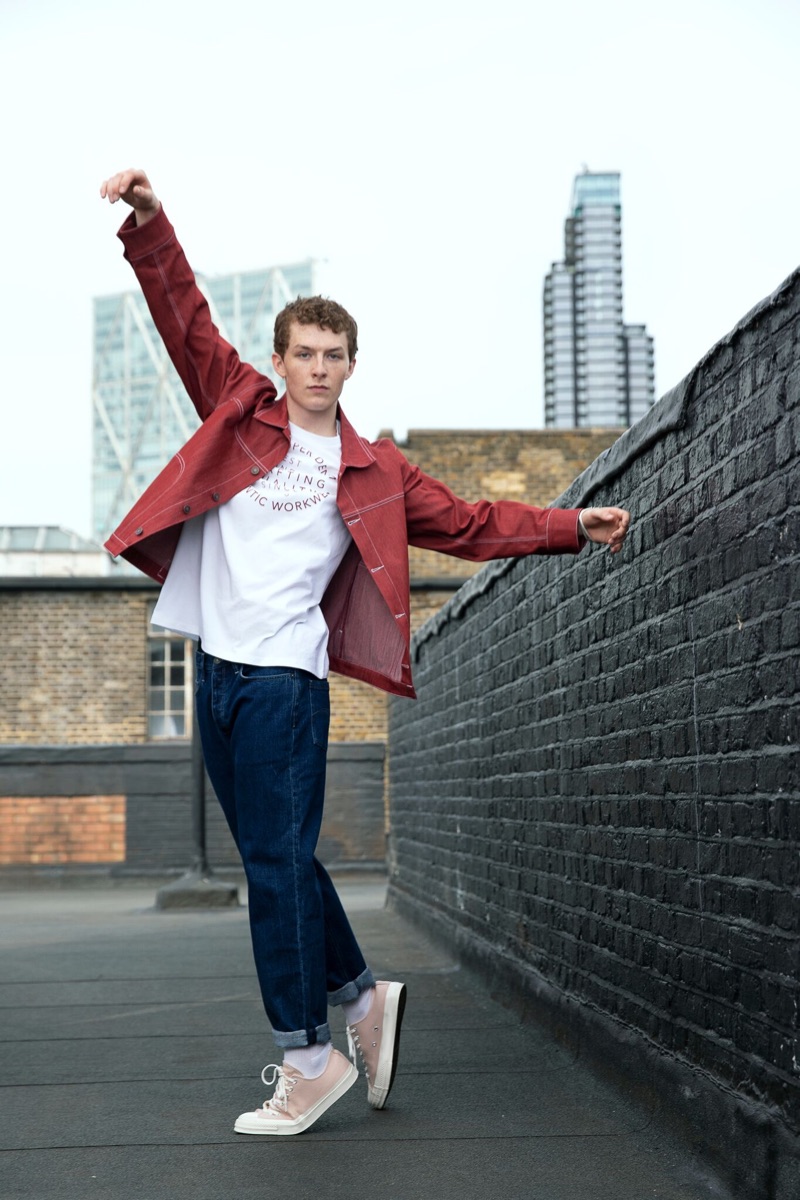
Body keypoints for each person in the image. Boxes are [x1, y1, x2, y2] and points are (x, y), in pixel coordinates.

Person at [99, 168, 631, 1137]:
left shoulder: (372, 470)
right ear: (279, 360)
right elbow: (184, 319)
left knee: (272, 870)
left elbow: (469, 522)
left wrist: (566, 525)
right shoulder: (238, 406)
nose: (316, 368)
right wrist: (150, 222)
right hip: (217, 672)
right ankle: (361, 997)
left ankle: (309, 1061)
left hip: (284, 684)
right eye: (302, 353)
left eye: (332, 355)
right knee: (278, 859)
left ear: (350, 367)